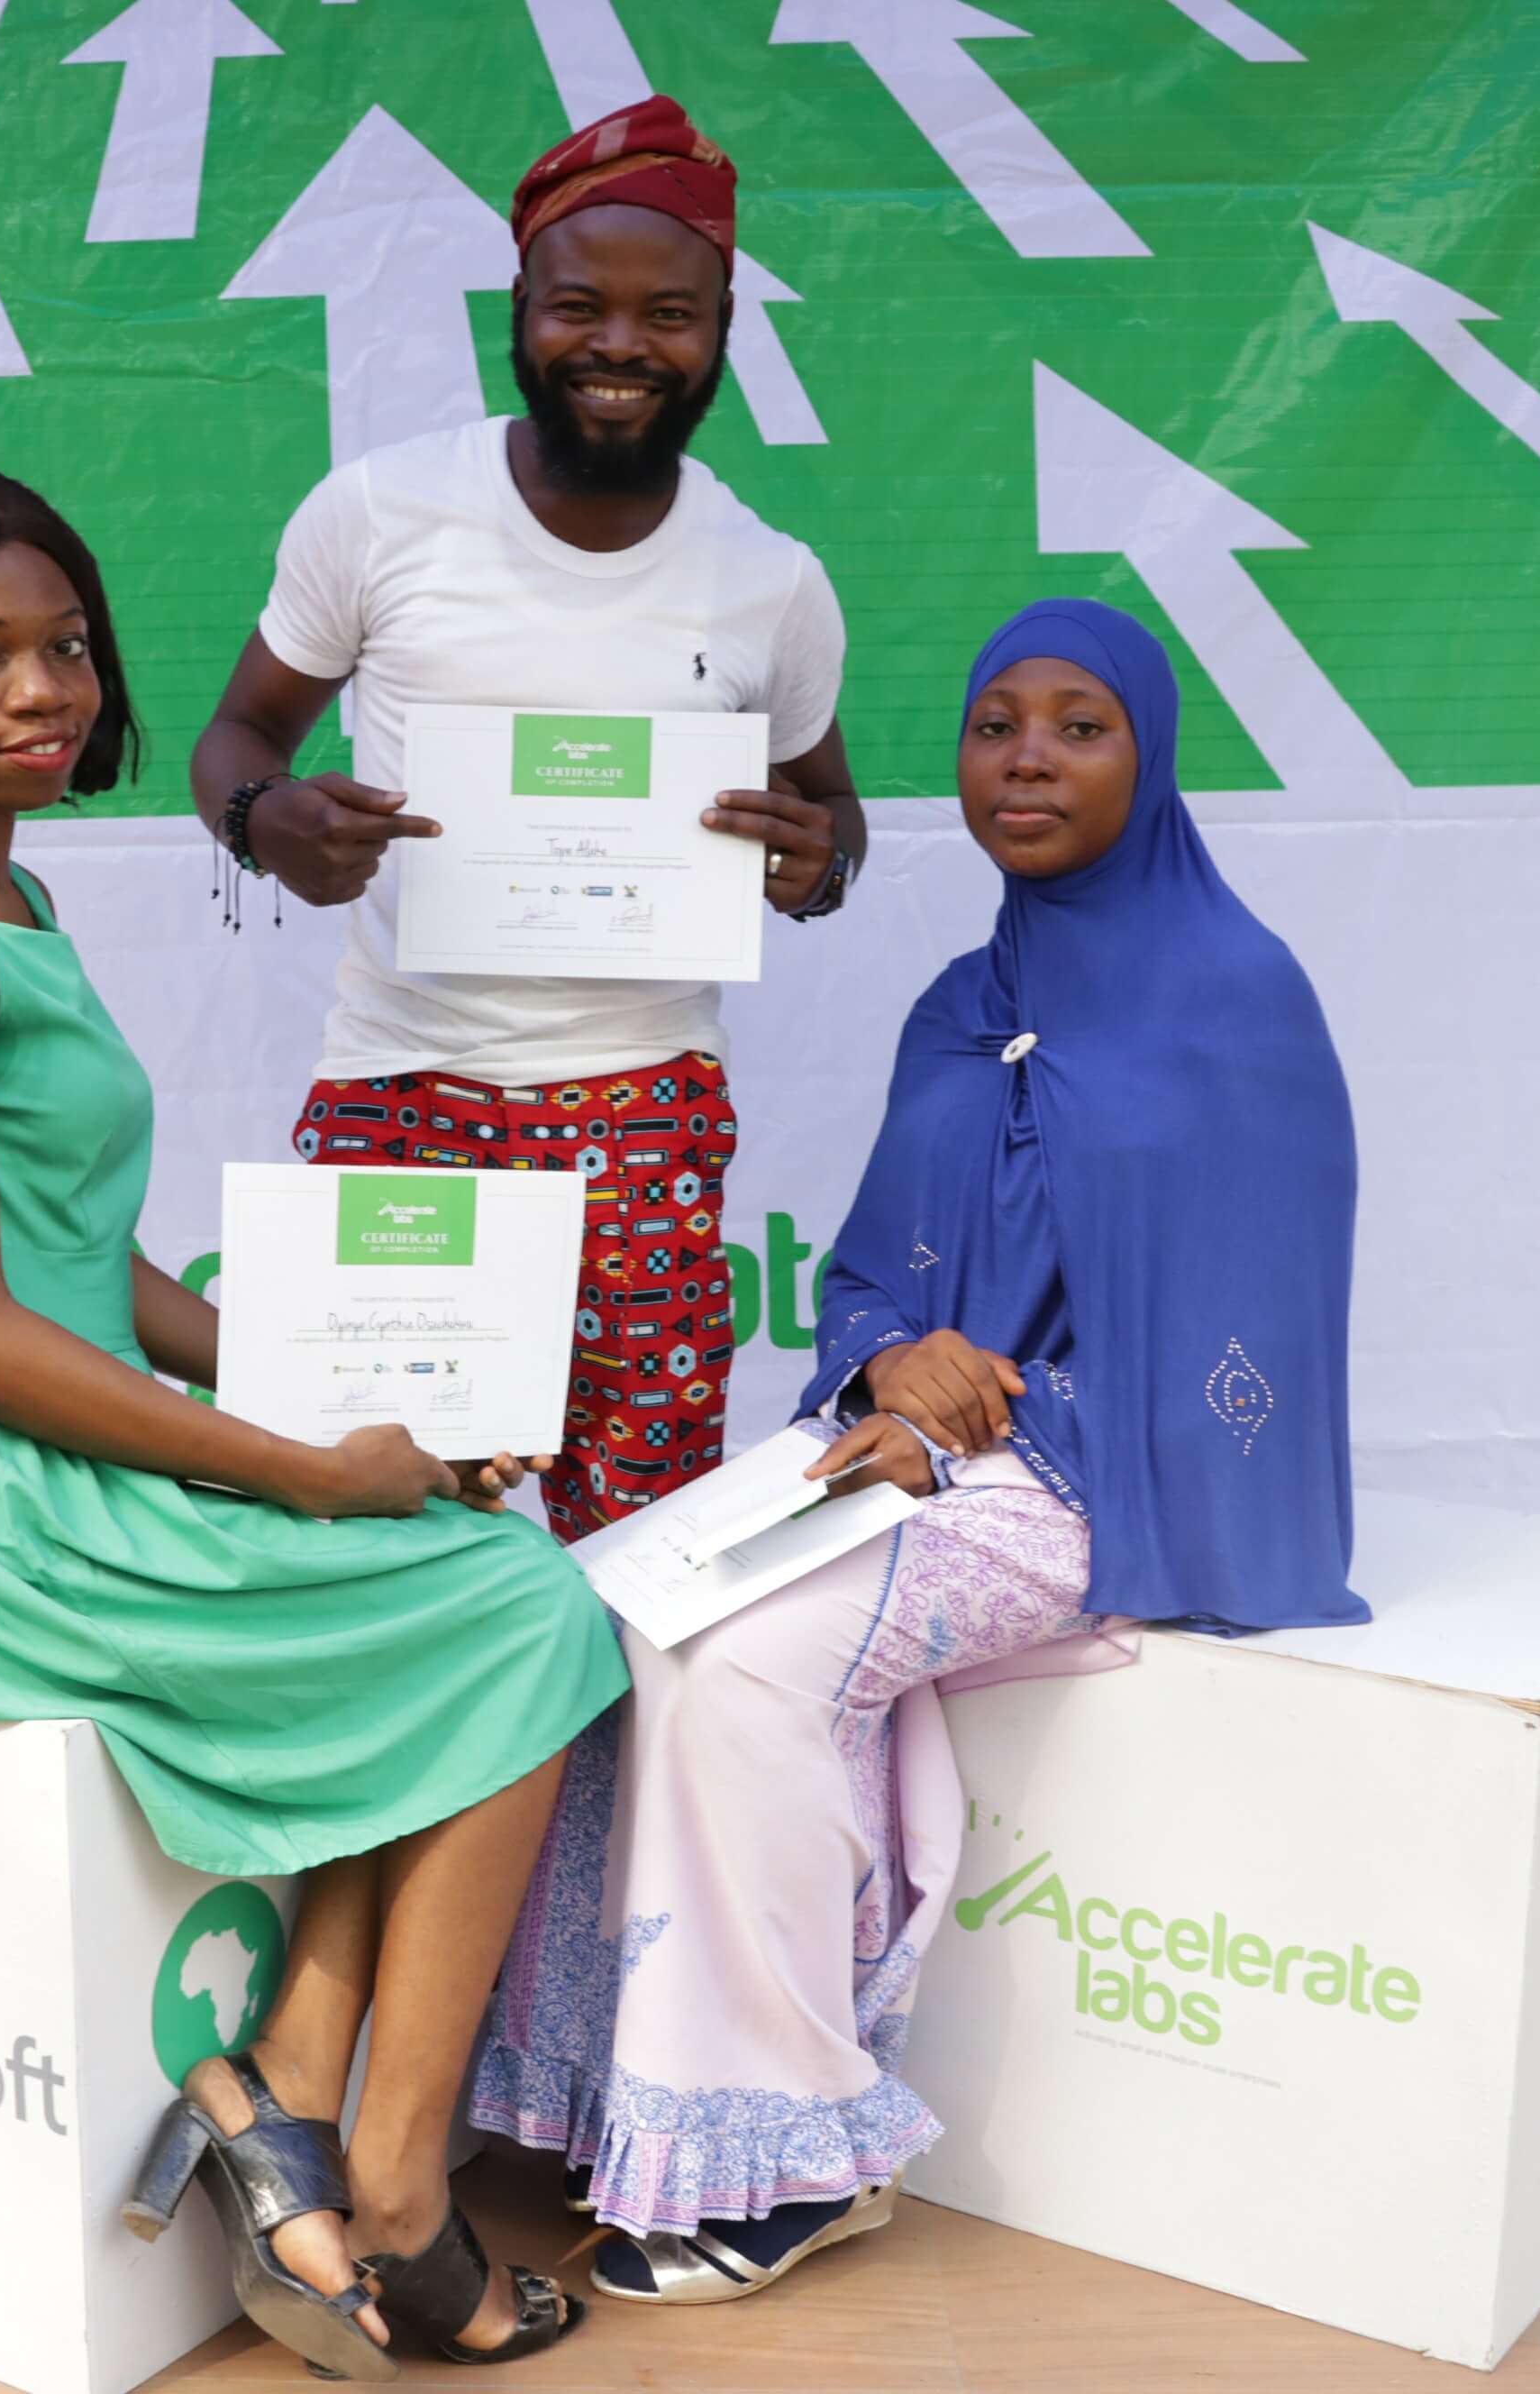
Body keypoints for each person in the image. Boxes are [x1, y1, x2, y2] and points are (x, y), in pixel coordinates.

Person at [0, 461, 619, 2375]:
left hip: (37, 1432)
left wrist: (352, 1408)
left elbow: (89, 1268)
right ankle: (392, 2185)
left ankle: (287, 2082)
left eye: (64, 646)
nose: (41, 688)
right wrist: (301, 1467)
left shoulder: (7, 893)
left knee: (457, 1565)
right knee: (525, 1611)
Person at [469, 599, 1372, 2303]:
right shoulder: (963, 1006)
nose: (1025, 759)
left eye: (1079, 726)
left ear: (1153, 755)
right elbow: (872, 1275)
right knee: (615, 1611)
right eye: (993, 724)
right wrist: (894, 1364)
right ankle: (608, 2096)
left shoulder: (1236, 1002)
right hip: (912, 1444)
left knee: (751, 1659)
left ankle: (799, 2152)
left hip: (1118, 1480)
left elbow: (1250, 1347)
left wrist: (989, 1419)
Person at [193, 95, 864, 1542]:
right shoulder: (379, 517)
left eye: (669, 314)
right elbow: (239, 735)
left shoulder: (771, 579)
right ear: (519, 308)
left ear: (724, 327)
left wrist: (813, 870)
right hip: (402, 1085)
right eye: (578, 307)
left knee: (643, 1525)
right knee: (376, 1510)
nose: (621, 346)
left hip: (645, 1102)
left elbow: (834, 827)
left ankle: (608, 1712)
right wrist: (266, 821)